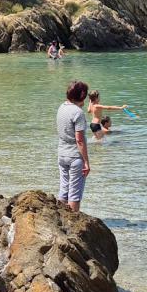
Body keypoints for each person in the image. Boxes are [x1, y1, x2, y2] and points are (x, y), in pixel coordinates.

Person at [56, 80, 91, 212]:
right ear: (82, 95)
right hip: (75, 157)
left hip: (62, 154)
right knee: (74, 193)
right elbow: (80, 140)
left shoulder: (61, 107)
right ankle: (73, 223)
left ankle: (60, 219)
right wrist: (86, 162)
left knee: (64, 190)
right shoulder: (78, 113)